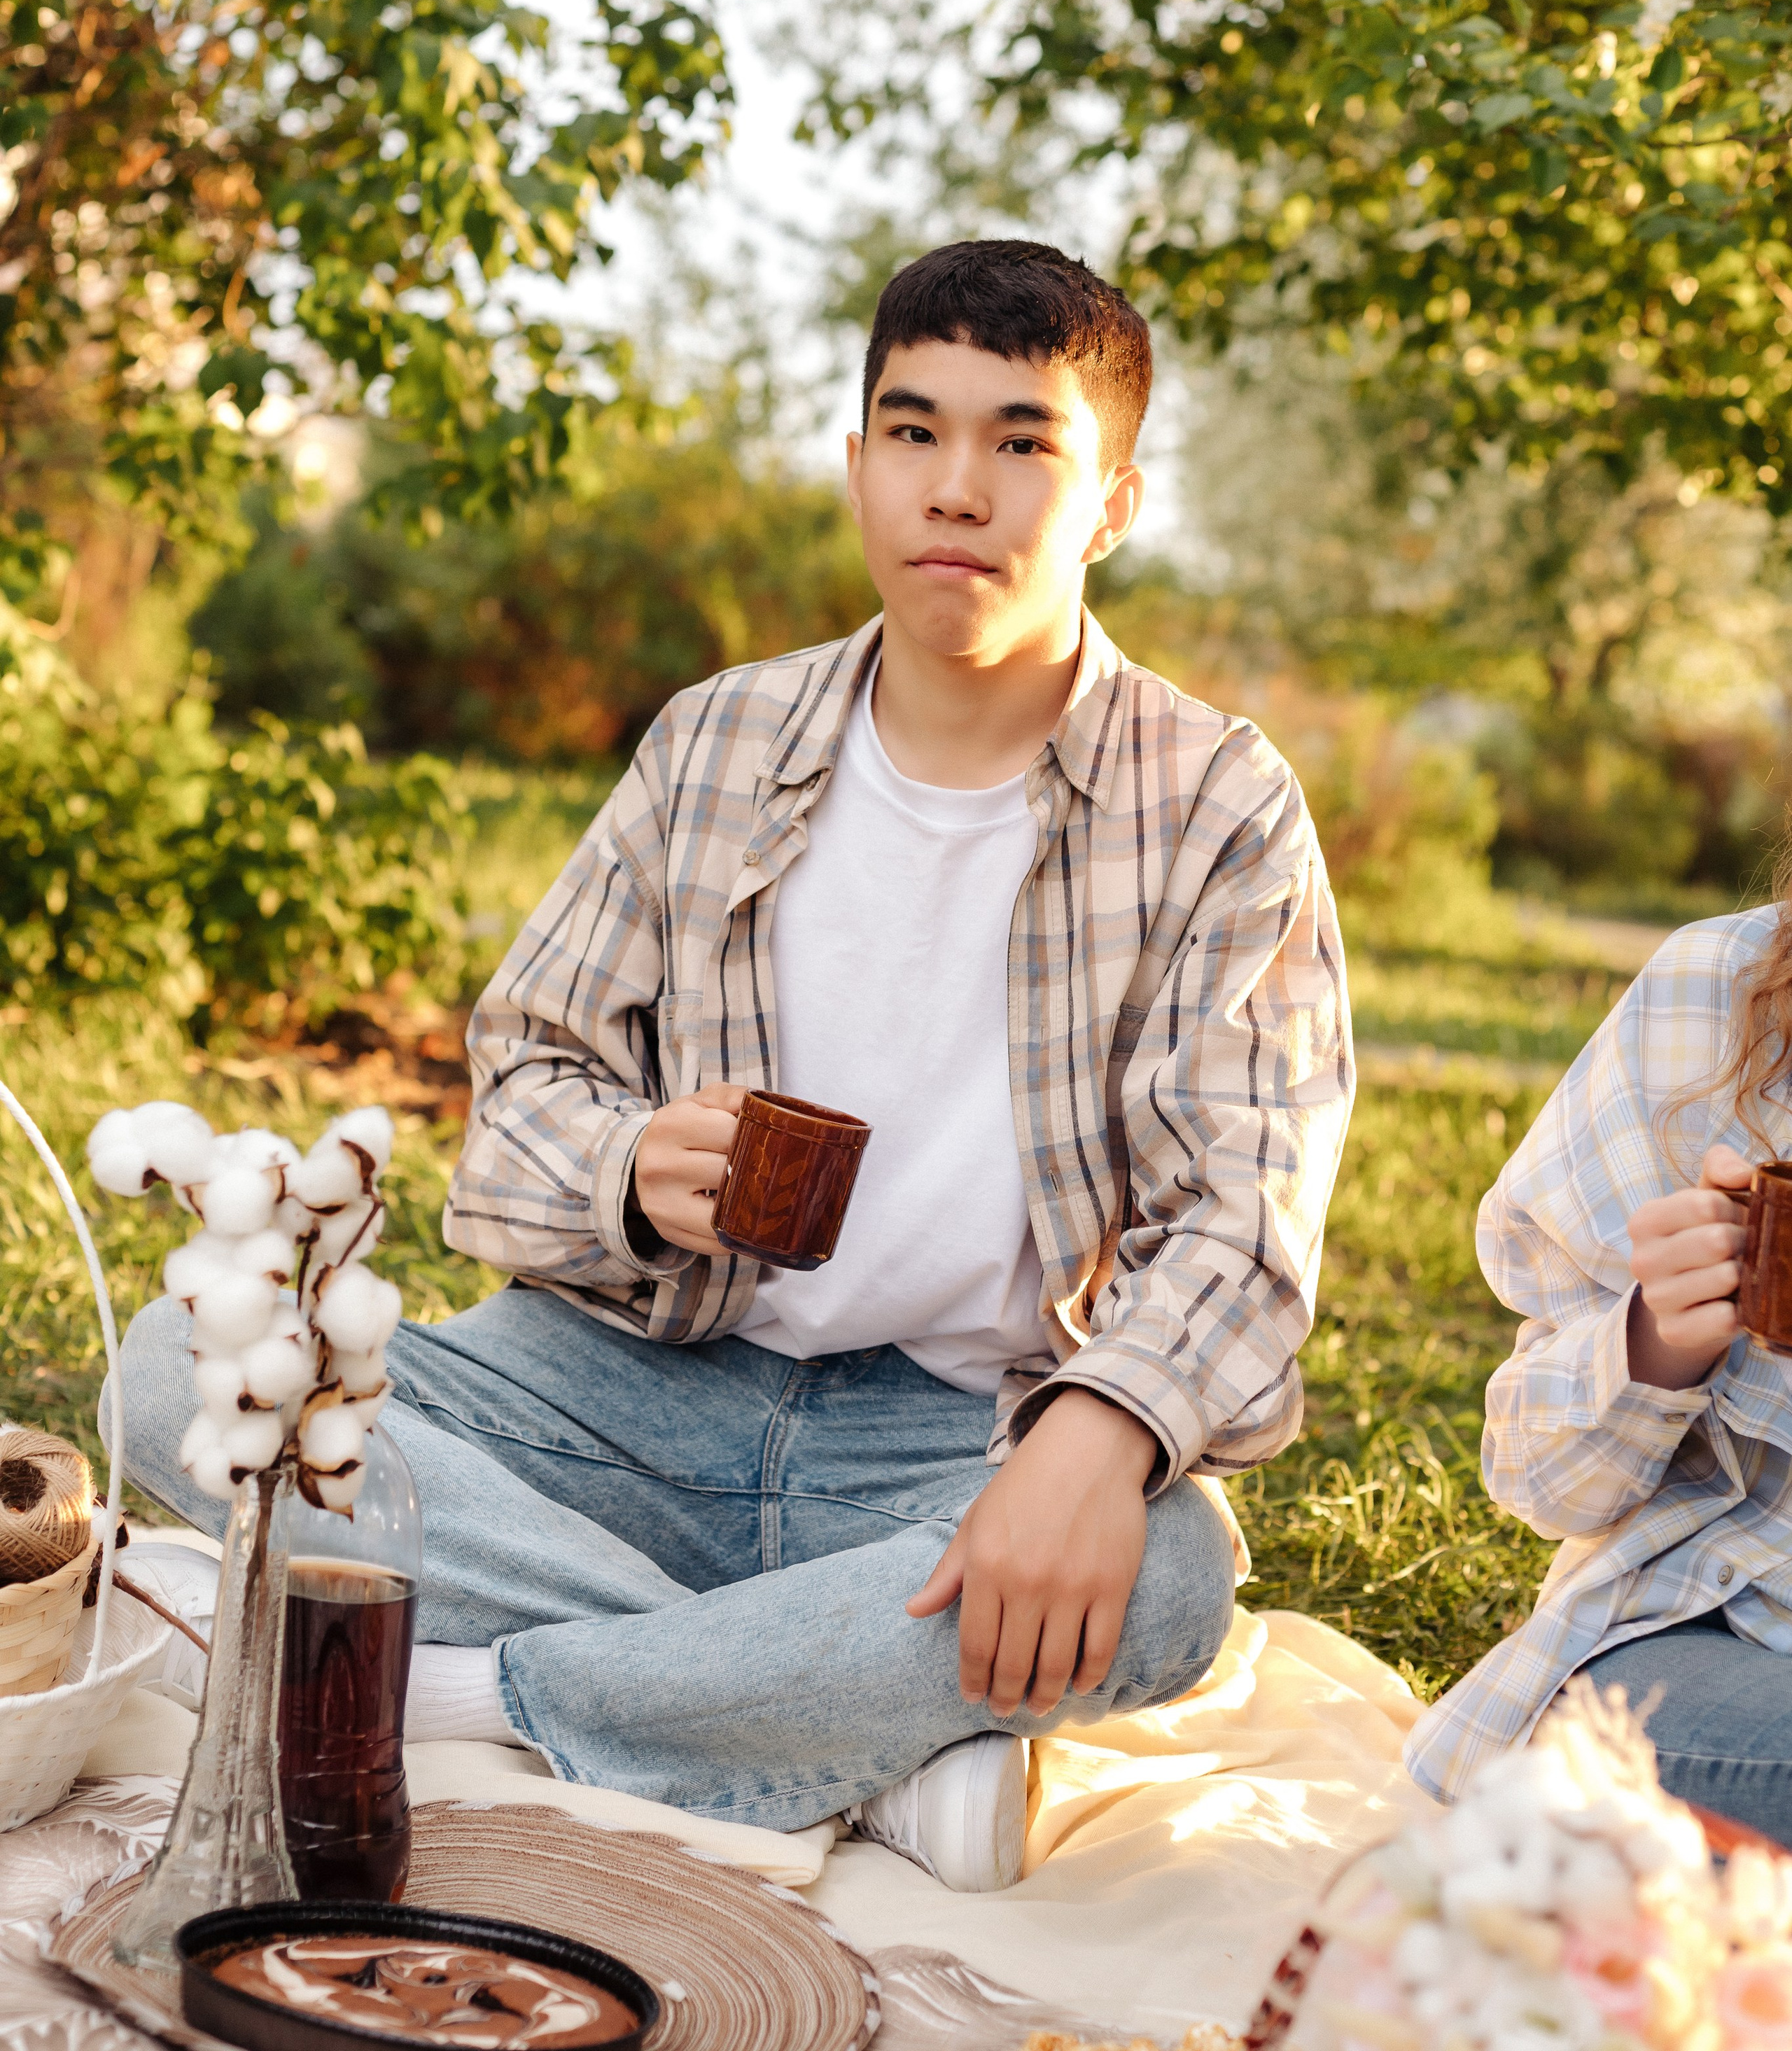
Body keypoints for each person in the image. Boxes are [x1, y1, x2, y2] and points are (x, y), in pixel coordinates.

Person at [120, 239, 1354, 1892]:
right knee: (180, 1363)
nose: (957, 489)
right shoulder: (714, 741)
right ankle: (830, 1729)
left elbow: (1247, 1223)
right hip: (626, 1398)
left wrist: (1098, 1434)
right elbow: (524, 1082)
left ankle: (482, 1699)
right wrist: (628, 1174)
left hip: (948, 1441)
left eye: (1022, 442)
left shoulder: (1217, 804)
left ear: (1112, 501)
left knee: (1170, 1577)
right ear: (856, 467)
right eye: (911, 433)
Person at [1406, 874, 1792, 1844]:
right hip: (1721, 1635)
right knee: (1619, 1755)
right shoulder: (1714, 999)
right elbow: (1537, 1479)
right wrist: (1661, 1336)